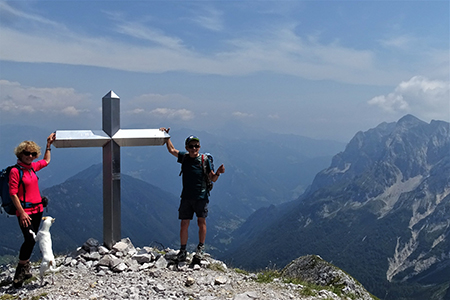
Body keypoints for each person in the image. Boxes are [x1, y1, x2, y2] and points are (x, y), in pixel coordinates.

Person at [160, 127, 225, 262]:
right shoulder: (184, 157)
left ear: (199, 147)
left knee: (201, 222)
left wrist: (218, 172)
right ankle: (183, 250)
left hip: (201, 196)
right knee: (184, 223)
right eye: (191, 146)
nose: (194, 148)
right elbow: (172, 150)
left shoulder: (204, 160)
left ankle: (199, 250)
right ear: (187, 147)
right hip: (187, 197)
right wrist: (167, 136)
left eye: (196, 146)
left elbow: (212, 178)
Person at [10, 132, 56, 288]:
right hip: (25, 213)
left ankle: (26, 267)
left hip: (38, 210)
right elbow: (13, 193)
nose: (30, 156)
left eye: (32, 153)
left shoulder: (32, 167)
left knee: (33, 239)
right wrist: (21, 212)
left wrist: (48, 145)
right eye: (26, 153)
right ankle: (20, 270)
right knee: (29, 239)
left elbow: (46, 161)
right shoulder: (16, 171)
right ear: (20, 154)